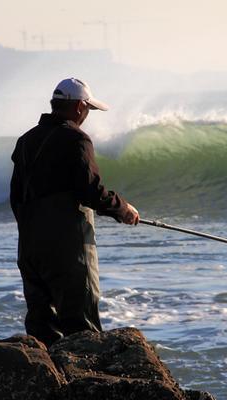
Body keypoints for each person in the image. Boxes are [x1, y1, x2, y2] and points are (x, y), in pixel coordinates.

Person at [10, 77, 139, 346]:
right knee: (82, 328)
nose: (87, 116)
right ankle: (82, 384)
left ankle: (48, 380)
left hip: (30, 247)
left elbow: (15, 197)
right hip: (67, 248)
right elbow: (90, 192)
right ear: (80, 106)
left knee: (41, 327)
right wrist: (122, 209)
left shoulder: (25, 141)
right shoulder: (76, 139)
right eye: (89, 110)